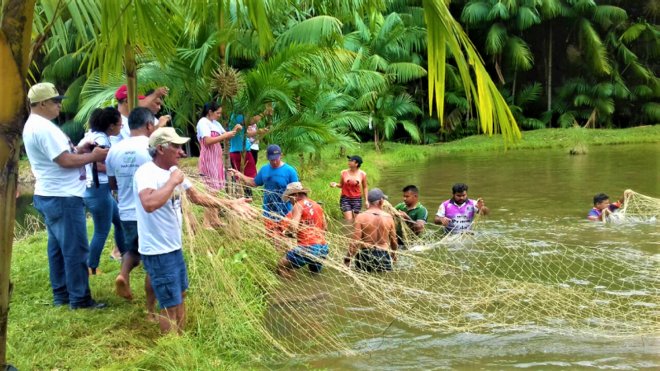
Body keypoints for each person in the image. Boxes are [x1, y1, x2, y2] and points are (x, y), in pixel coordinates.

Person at [134, 127, 253, 334]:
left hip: (173, 246)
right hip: (157, 250)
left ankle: (180, 339)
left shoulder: (174, 172)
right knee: (170, 303)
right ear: (161, 149)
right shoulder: (147, 172)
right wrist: (173, 182)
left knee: (180, 294)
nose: (182, 152)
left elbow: (198, 198)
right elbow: (149, 203)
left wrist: (231, 204)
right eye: (177, 147)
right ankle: (172, 348)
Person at [23, 82, 109, 309]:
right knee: (75, 249)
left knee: (58, 249)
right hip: (62, 196)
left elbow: (65, 155)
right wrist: (93, 157)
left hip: (52, 194)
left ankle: (61, 294)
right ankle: (79, 299)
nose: (60, 105)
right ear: (42, 104)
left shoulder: (38, 125)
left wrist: (80, 150)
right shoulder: (43, 128)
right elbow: (64, 161)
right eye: (55, 101)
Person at [106, 108, 157, 314]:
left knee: (133, 251)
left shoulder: (115, 149)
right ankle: (151, 310)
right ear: (149, 125)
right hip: (148, 210)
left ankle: (123, 275)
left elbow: (112, 183)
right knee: (153, 259)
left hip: (125, 210)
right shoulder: (152, 147)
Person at [81, 107, 127, 275]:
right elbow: (98, 164)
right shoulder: (102, 140)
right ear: (110, 126)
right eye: (120, 126)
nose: (120, 128)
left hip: (97, 190)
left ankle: (126, 256)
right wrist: (118, 169)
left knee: (120, 222)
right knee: (101, 231)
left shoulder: (91, 135)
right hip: (98, 190)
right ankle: (91, 267)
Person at [228, 144, 299, 248]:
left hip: (285, 211)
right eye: (271, 160)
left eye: (276, 159)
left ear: (281, 155)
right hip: (268, 211)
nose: (274, 162)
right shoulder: (264, 170)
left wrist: (297, 212)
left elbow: (296, 192)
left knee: (287, 240)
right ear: (267, 158)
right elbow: (254, 183)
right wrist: (240, 175)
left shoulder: (290, 171)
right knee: (273, 240)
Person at [277, 182, 328, 278]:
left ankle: (290, 292)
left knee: (281, 267)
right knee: (315, 275)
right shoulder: (317, 205)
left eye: (289, 198)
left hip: (308, 247)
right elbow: (325, 228)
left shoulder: (298, 205)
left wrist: (286, 233)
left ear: (295, 195)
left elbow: (293, 226)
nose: (290, 202)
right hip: (323, 248)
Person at [344, 189, 398, 272]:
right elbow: (394, 242)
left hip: (365, 257)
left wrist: (347, 259)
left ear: (368, 202)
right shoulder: (389, 217)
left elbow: (355, 242)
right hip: (383, 257)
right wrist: (394, 257)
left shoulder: (361, 217)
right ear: (381, 201)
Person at [330, 155, 368, 222]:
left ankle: (356, 232)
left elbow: (365, 187)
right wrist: (335, 184)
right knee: (349, 221)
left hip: (357, 199)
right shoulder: (343, 172)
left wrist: (366, 200)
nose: (349, 162)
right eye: (349, 160)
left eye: (351, 160)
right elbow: (341, 185)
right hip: (345, 199)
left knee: (357, 221)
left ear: (356, 164)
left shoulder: (363, 174)